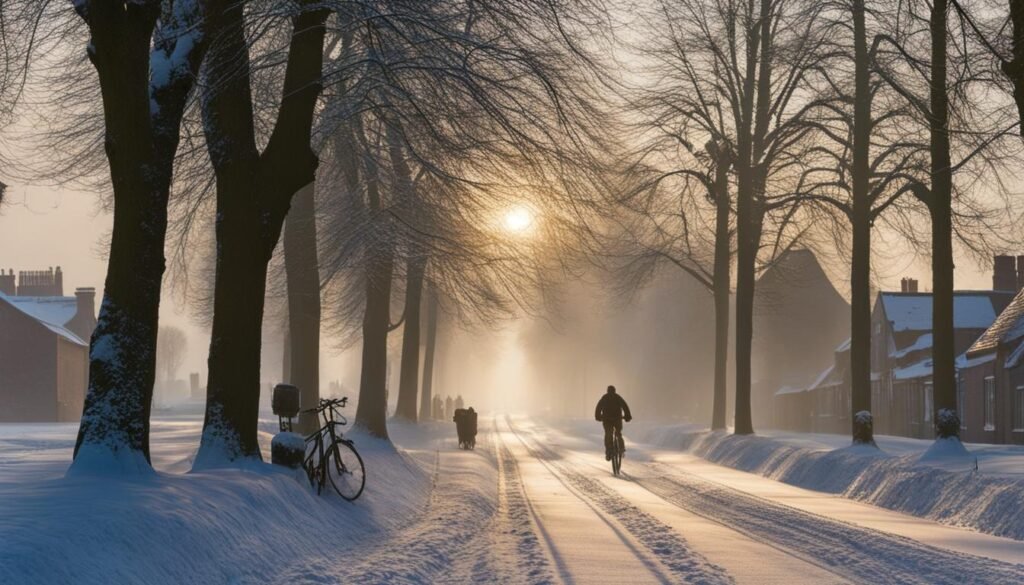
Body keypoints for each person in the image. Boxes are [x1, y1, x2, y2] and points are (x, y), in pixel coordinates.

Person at [595, 385, 632, 460]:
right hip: (617, 419)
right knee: (618, 433)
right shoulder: (618, 397)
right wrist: (627, 416)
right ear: (615, 391)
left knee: (608, 434)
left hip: (607, 420)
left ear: (607, 391)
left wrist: (598, 416)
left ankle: (609, 451)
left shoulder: (604, 398)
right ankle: (621, 448)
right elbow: (625, 406)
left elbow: (598, 408)